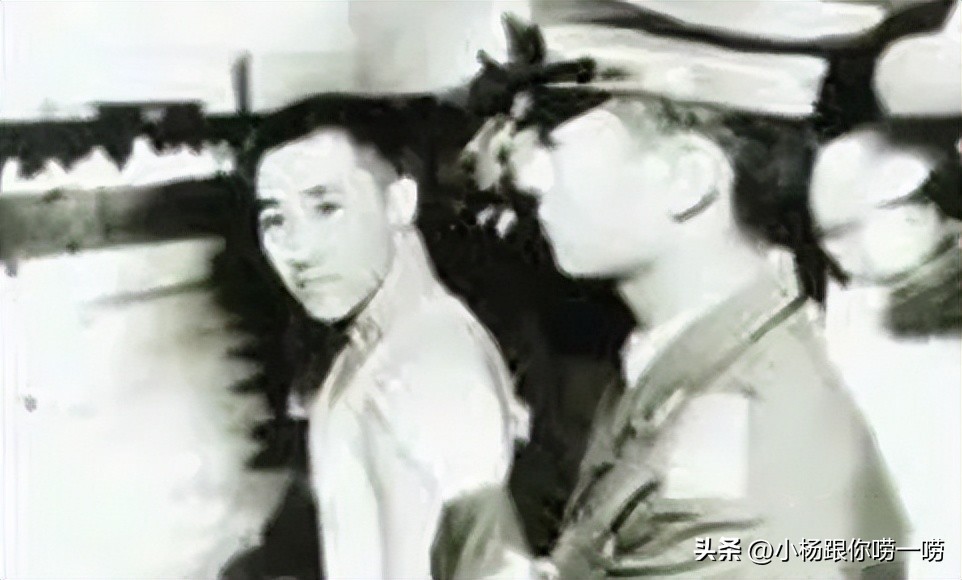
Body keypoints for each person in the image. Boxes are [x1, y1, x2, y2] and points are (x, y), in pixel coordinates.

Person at [471, 92, 909, 578]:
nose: (528, 178)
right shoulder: (691, 354)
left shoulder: (754, 461)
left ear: (688, 181)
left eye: (556, 144)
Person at [245, 96, 532, 579]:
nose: (298, 250)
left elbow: (498, 566)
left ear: (400, 203)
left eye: (326, 208)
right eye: (275, 220)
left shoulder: (431, 364)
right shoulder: (368, 349)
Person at [811, 125, 962, 579]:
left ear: (920, 213)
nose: (836, 251)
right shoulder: (848, 319)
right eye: (823, 234)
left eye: (845, 229)